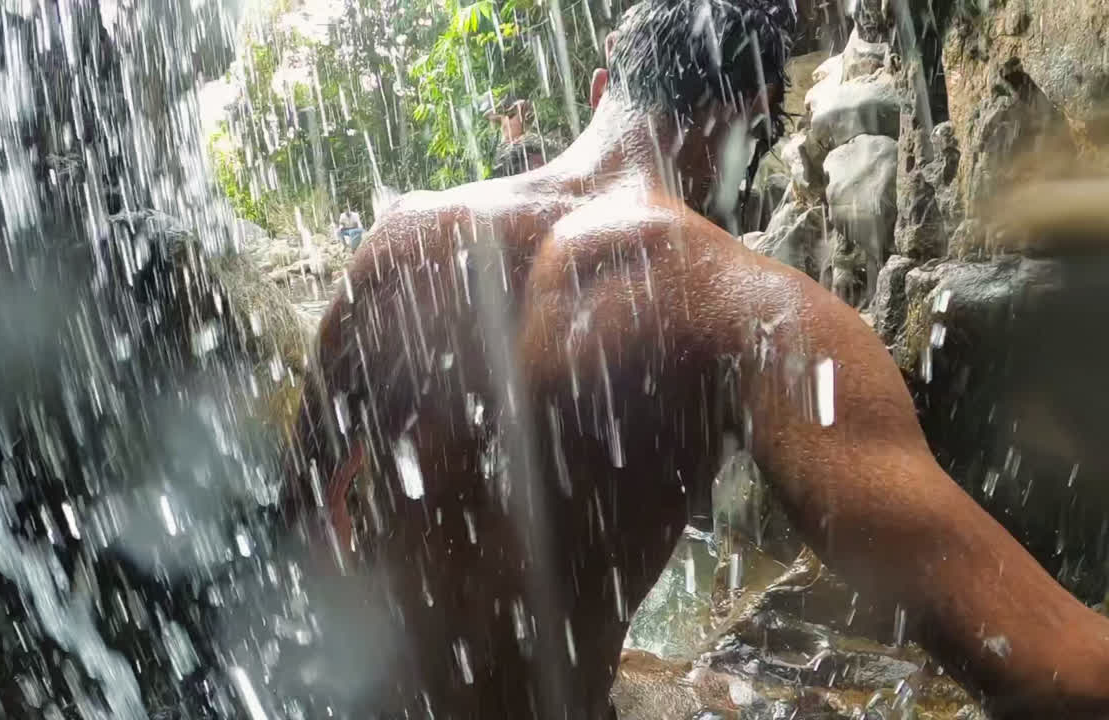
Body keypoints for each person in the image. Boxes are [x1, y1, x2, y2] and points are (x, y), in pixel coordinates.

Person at [284, 1, 1109, 717]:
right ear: (750, 120)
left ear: (606, 85)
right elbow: (1056, 670)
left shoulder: (400, 244)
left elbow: (303, 525)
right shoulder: (754, 310)